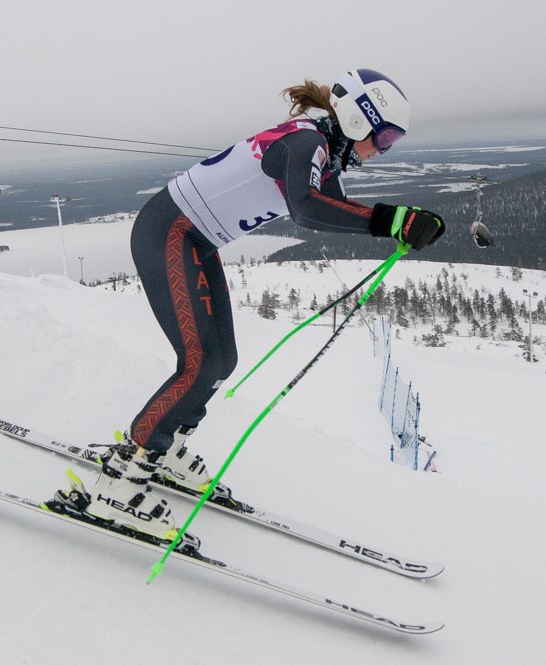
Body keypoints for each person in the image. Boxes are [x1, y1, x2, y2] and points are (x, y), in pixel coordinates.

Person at [65, 69, 445, 541]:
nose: (383, 150)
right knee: (201, 363)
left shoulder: (323, 153)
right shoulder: (307, 143)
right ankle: (121, 479)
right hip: (168, 233)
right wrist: (393, 221)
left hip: (194, 241)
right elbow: (306, 207)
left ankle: (168, 446)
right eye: (384, 138)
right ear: (356, 119)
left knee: (222, 360)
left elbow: (336, 211)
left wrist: (404, 224)